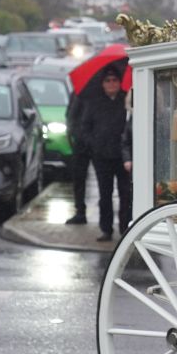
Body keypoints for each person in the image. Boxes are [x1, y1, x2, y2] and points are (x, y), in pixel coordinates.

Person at [82, 66, 130, 241]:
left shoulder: (126, 100)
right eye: (108, 81)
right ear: (102, 83)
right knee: (105, 194)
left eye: (114, 80)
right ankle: (106, 229)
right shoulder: (95, 102)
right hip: (102, 156)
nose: (111, 84)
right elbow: (85, 127)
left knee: (125, 193)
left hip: (122, 156)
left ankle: (125, 227)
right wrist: (93, 144)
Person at [64, 92, 91, 225]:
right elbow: (70, 115)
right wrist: (73, 134)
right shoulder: (77, 92)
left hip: (98, 142)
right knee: (79, 178)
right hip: (81, 142)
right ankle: (80, 211)